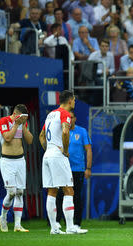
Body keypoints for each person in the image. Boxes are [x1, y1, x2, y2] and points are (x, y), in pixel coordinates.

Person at [39, 90, 87, 234]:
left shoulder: (50, 114)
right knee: (68, 190)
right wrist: (65, 151)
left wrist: (49, 148)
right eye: (74, 100)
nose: (74, 102)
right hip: (58, 156)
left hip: (47, 155)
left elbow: (41, 136)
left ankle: (54, 227)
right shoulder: (64, 114)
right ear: (70, 100)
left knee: (52, 191)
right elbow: (66, 132)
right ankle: (71, 227)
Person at [0, 104, 33, 232]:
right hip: (7, 160)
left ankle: (17, 225)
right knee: (11, 193)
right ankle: (3, 217)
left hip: (20, 160)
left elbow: (29, 140)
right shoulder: (4, 121)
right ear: (15, 114)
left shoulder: (22, 124)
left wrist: (22, 125)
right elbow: (7, 138)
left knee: (20, 192)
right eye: (21, 117)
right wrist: (16, 124)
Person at [55, 110, 92, 228]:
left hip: (78, 169)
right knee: (60, 194)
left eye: (71, 117)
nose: (69, 120)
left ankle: (77, 223)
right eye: (68, 118)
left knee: (76, 196)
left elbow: (89, 150)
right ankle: (58, 221)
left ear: (75, 118)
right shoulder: (61, 131)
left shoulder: (82, 132)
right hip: (63, 168)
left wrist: (88, 168)